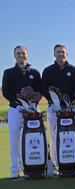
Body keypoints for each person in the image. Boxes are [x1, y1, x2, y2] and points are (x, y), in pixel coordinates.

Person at [2, 45, 42, 179]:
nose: (21, 55)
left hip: (32, 110)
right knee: (14, 139)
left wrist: (32, 101)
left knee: (35, 138)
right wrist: (18, 101)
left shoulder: (35, 72)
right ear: (14, 56)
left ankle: (36, 165)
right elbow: (6, 91)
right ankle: (15, 169)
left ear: (27, 55)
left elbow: (40, 91)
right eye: (18, 53)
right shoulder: (8, 72)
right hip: (16, 110)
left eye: (23, 53)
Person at [42, 44, 75, 172]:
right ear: (54, 54)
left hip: (72, 108)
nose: (61, 54)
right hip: (54, 109)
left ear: (67, 54)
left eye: (63, 52)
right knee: (54, 136)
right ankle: (56, 165)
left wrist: (69, 102)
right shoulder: (48, 71)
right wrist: (55, 102)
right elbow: (44, 89)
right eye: (58, 52)